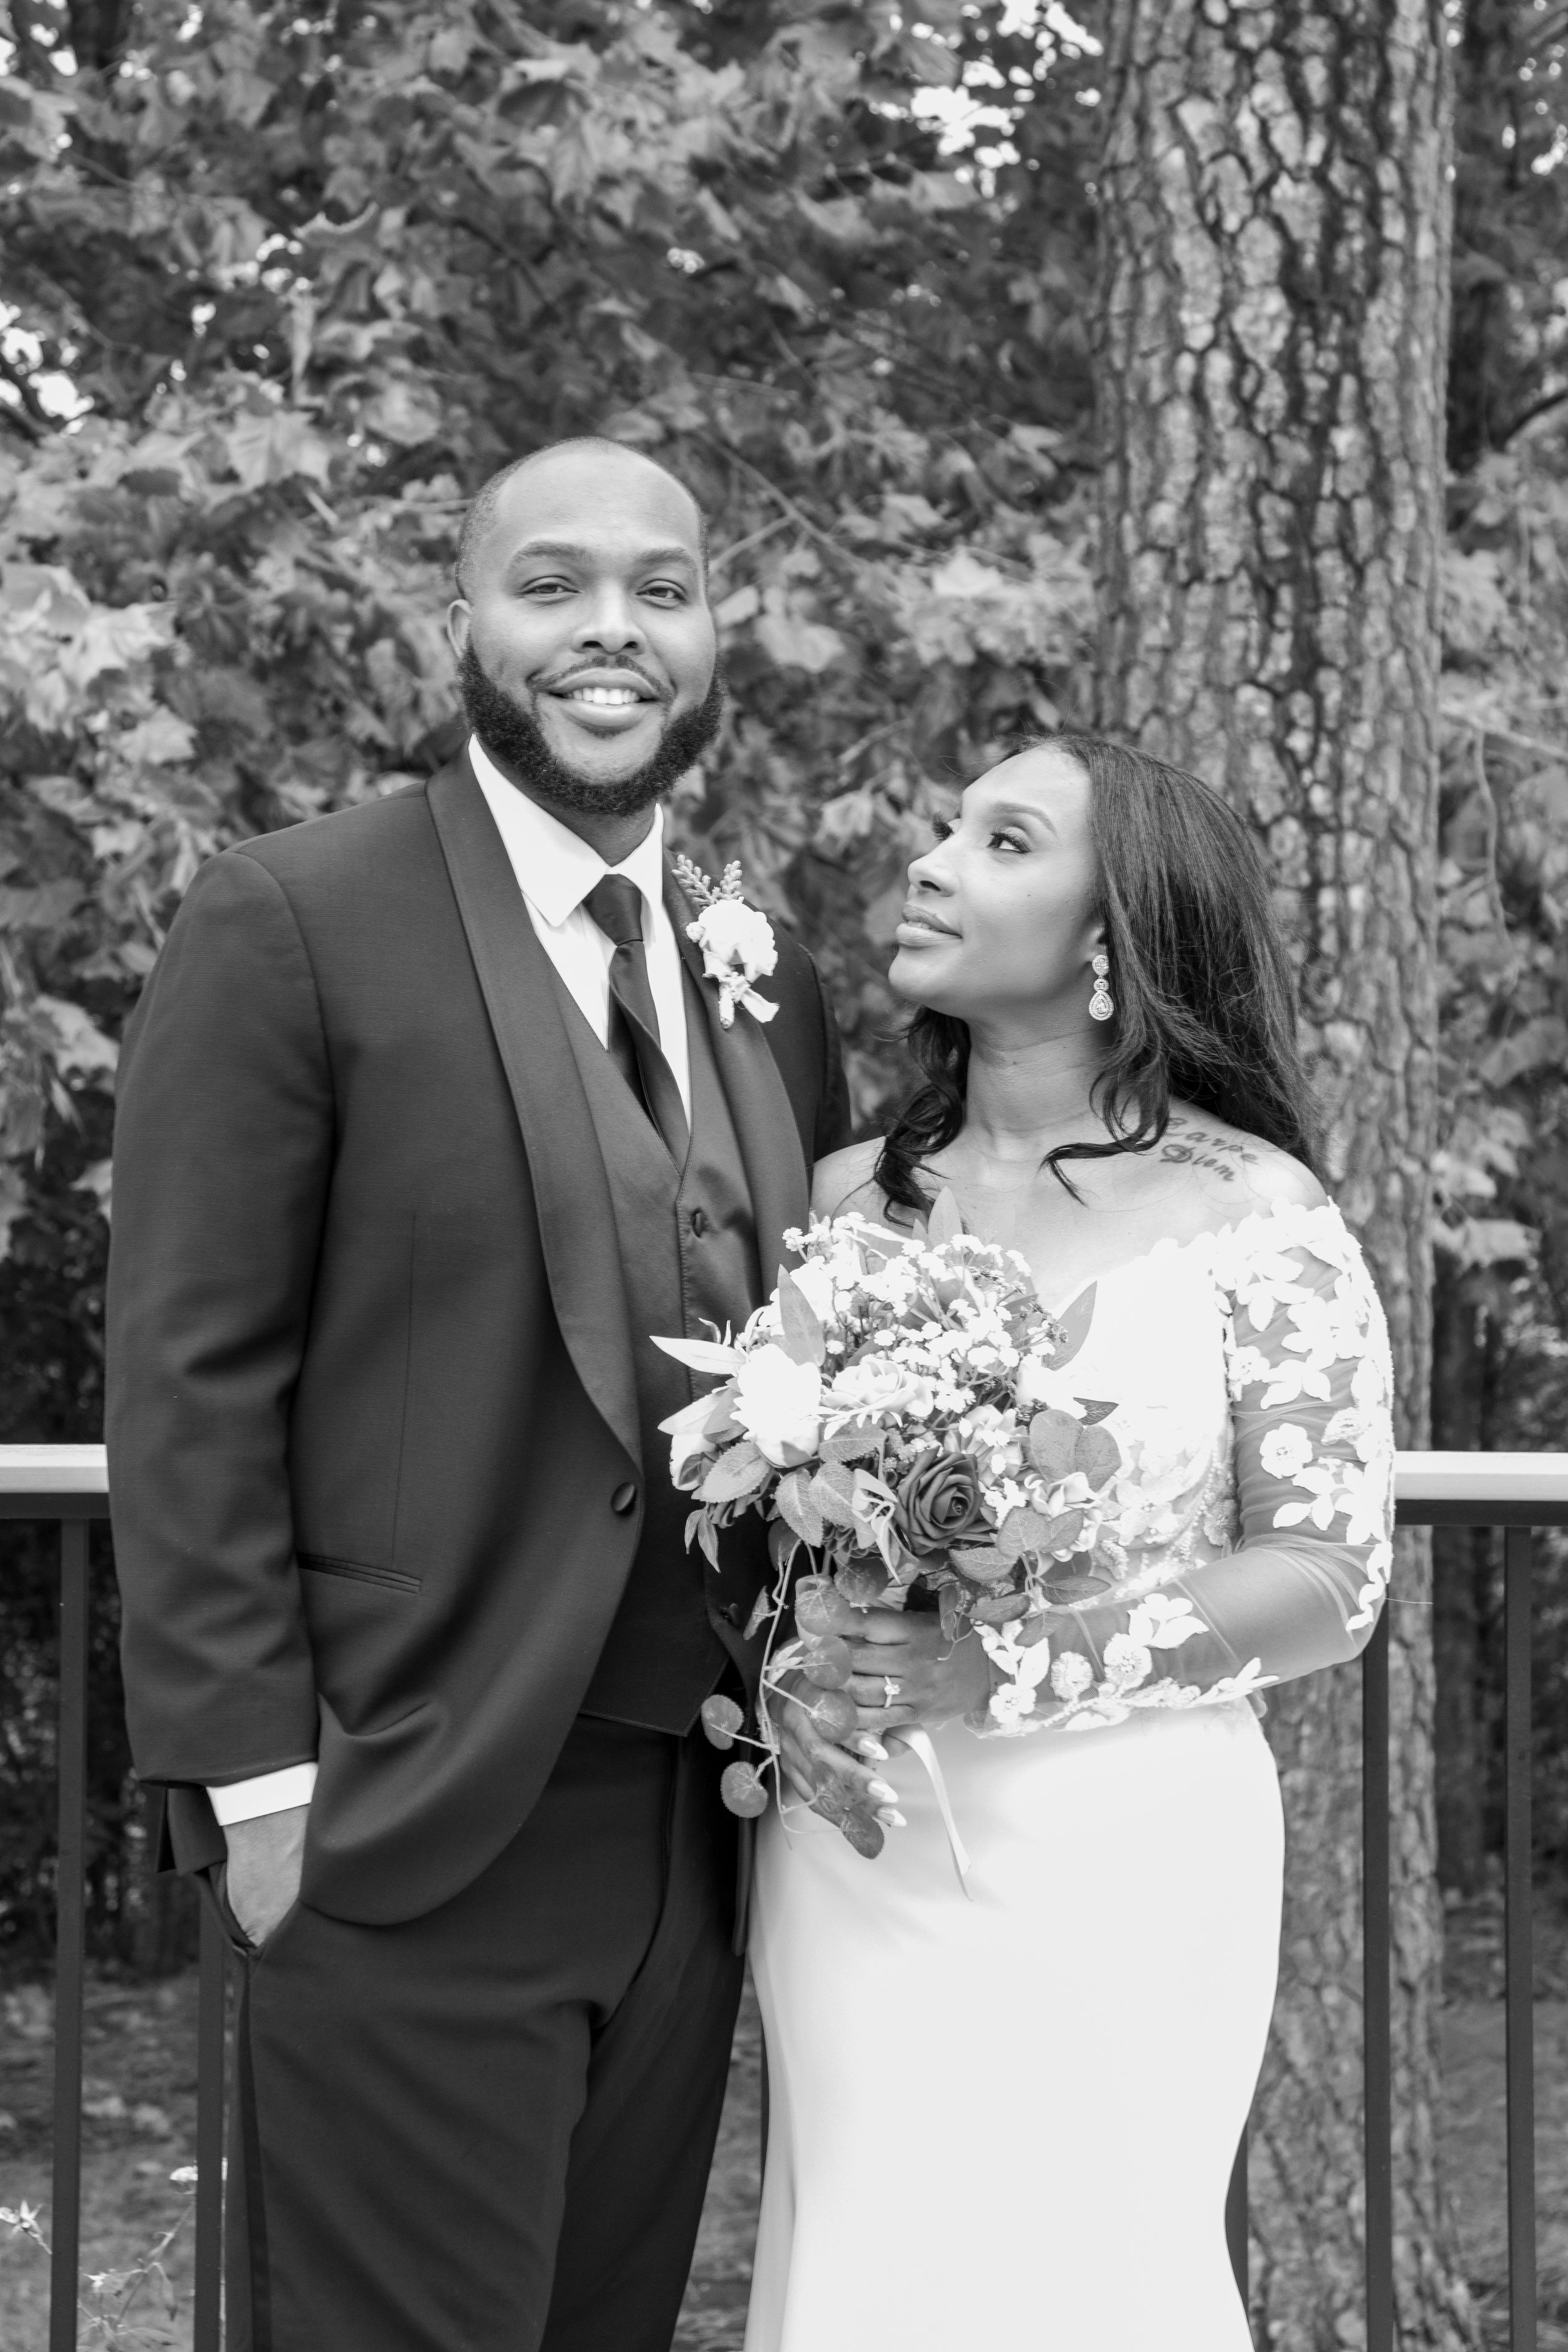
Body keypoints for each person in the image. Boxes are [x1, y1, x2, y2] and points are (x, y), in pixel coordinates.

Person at [105, 437, 848, 2352]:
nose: (612, 629)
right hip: (406, 1814)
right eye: (553, 584)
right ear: (463, 621)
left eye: (661, 589)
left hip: (693, 1835)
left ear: (712, 634)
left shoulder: (759, 976)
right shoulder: (291, 916)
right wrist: (261, 1797)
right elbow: (190, 1382)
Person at [744, 731, 1395, 2351]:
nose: (933, 856)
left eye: (1001, 840)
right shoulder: (839, 1200)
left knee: (1102, 2272)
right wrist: (795, 1671)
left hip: (1131, 1843)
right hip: (862, 1840)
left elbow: (1329, 1579)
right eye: (943, 820)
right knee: (867, 2262)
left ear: (1112, 933)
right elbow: (774, 1511)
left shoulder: (1258, 1209)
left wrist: (1001, 1666)